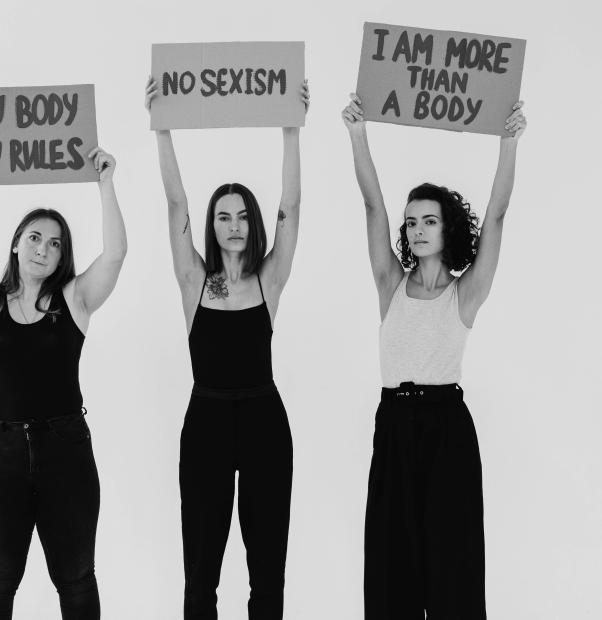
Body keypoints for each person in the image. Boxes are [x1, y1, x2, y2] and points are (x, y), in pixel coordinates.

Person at [341, 93, 527, 619]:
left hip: (447, 429)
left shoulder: (464, 294)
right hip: (394, 424)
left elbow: (496, 216)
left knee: (453, 563)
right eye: (412, 223)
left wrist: (508, 143)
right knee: (391, 562)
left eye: (428, 221)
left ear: (447, 229)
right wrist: (358, 135)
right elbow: (373, 206)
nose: (417, 230)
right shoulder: (389, 286)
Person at [0, 146, 127, 620]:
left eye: (55, 243)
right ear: (17, 243)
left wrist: (105, 183)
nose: (43, 248)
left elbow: (116, 254)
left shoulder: (76, 299)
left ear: (62, 255)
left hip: (66, 452)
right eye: (35, 238)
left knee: (76, 579)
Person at [145, 76, 309, 619]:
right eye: (223, 216)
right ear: (212, 226)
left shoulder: (269, 279)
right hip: (207, 423)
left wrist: (292, 127)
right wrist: (161, 129)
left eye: (242, 215)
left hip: (264, 420)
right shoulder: (195, 280)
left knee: (268, 570)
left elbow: (291, 204)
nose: (233, 225)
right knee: (201, 571)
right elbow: (175, 203)